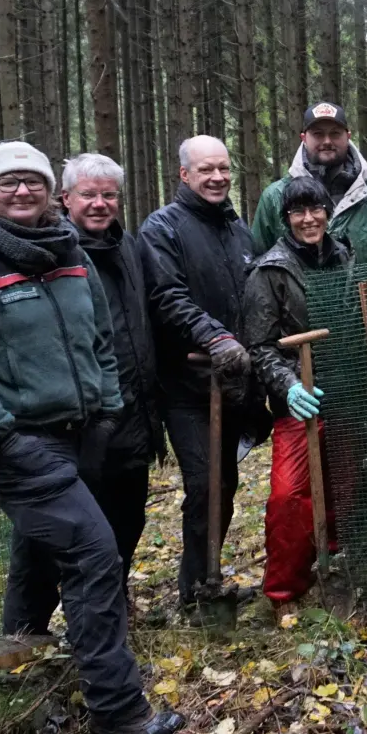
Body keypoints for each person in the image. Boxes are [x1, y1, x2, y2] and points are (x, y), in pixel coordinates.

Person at [0, 141, 183, 734]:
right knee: (94, 554)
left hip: (84, 434)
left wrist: (108, 409)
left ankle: (18, 665)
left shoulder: (72, 258)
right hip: (20, 447)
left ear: (48, 193)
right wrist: (4, 432)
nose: (21, 191)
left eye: (32, 181)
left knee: (42, 547)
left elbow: (100, 340)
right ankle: (118, 710)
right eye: (7, 183)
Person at [141, 135, 262, 608]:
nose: (217, 177)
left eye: (223, 168)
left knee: (224, 483)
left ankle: (207, 581)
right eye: (206, 169)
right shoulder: (163, 228)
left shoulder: (237, 228)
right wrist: (215, 337)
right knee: (205, 483)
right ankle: (195, 592)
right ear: (184, 174)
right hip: (187, 386)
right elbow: (166, 296)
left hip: (232, 383)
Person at [240, 177, 352, 618]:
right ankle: (284, 590)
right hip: (298, 401)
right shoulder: (270, 271)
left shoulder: (344, 257)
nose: (308, 219)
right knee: (288, 495)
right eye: (297, 212)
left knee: (345, 483)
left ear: (328, 211)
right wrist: (288, 386)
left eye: (316, 209)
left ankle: (335, 563)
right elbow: (259, 346)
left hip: (346, 393)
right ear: (285, 218)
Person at [60, 153, 162, 599]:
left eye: (108, 195)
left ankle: (114, 599)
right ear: (66, 199)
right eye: (88, 195)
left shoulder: (128, 246)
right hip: (85, 418)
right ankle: (89, 609)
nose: (99, 204)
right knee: (87, 527)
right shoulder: (55, 253)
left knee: (130, 516)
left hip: (135, 410)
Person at [251, 101, 367, 261]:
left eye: (335, 133)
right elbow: (258, 262)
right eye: (318, 134)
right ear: (304, 138)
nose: (327, 141)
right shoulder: (274, 197)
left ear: (348, 137)